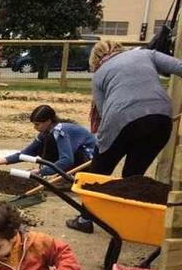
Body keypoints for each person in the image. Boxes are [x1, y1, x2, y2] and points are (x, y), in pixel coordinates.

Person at [67, 41, 182, 233]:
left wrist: (115, 143)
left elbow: (104, 113)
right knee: (133, 176)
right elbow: (179, 67)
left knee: (98, 172)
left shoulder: (99, 75)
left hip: (121, 118)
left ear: (95, 59)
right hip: (161, 118)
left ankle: (85, 219)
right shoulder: (146, 55)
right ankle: (130, 222)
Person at [0, 105, 96, 176]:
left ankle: (69, 176)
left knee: (50, 142)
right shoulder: (45, 133)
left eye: (37, 124)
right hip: (78, 158)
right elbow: (26, 153)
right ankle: (63, 175)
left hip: (89, 162)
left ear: (48, 121)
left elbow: (67, 159)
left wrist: (41, 172)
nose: (35, 128)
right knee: (42, 144)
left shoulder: (60, 131)